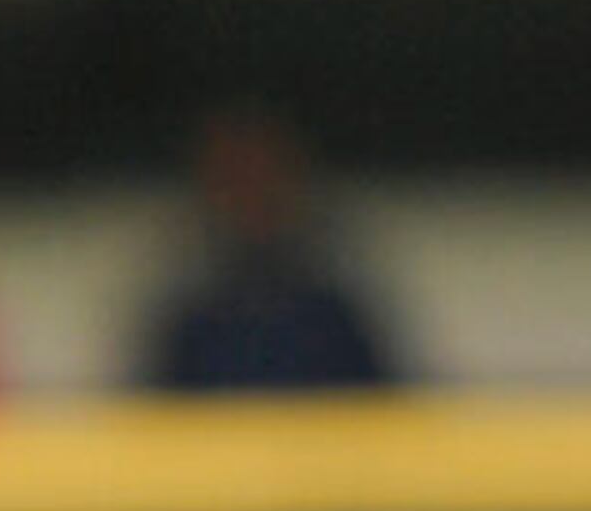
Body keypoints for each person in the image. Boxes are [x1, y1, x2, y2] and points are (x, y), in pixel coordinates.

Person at [136, 107, 405, 394]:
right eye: (233, 182)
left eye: (263, 179)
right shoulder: (192, 325)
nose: (249, 199)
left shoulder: (334, 319)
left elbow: (379, 402)